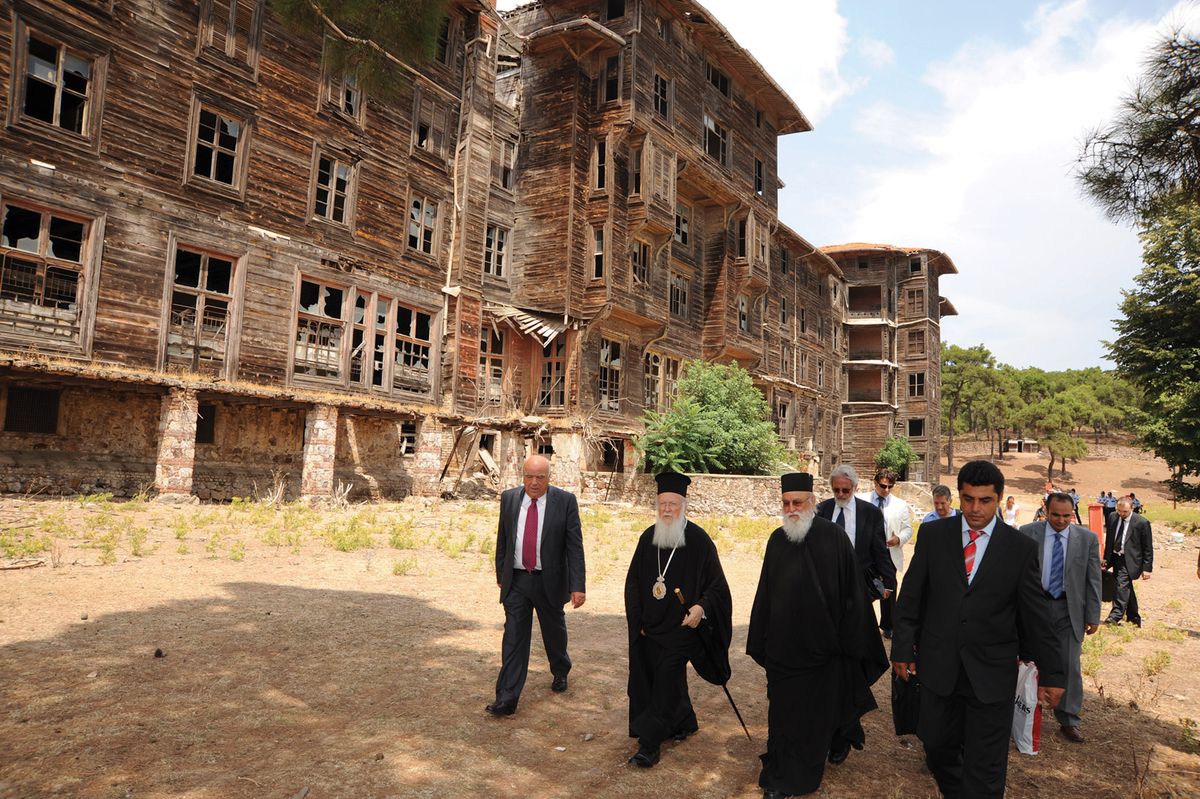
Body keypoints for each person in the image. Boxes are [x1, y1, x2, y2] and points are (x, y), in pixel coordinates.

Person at [892, 460, 1065, 799]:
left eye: (984, 500)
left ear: (998, 498)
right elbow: (912, 595)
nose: (975, 508)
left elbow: (1036, 616)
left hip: (991, 674)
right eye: (968, 499)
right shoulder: (934, 535)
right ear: (958, 496)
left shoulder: (1019, 548)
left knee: (986, 764)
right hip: (939, 668)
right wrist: (902, 647)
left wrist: (1053, 673)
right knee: (938, 749)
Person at [747, 472, 889, 798]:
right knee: (781, 717)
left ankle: (799, 776)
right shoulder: (776, 540)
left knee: (812, 721)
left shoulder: (835, 538)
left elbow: (852, 596)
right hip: (784, 652)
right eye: (786, 503)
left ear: (812, 503)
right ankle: (779, 774)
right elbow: (765, 593)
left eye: (798, 502)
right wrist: (762, 639)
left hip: (822, 654)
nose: (792, 509)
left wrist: (850, 644)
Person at [624, 471, 732, 768]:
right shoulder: (648, 537)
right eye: (662, 504)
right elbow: (633, 581)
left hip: (682, 629)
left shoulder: (698, 540)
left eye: (672, 504)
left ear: (684, 505)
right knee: (649, 677)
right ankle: (685, 721)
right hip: (650, 627)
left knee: (666, 680)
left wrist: (701, 607)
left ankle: (649, 744)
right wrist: (638, 620)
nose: (667, 509)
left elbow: (717, 586)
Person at [487, 454, 586, 717]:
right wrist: (502, 574)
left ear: (548, 478)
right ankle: (506, 698)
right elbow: (503, 540)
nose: (533, 482)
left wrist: (578, 585)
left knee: (553, 633)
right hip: (517, 580)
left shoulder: (564, 502)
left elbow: (574, 547)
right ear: (522, 476)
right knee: (514, 638)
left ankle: (560, 669)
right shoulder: (509, 498)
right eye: (529, 476)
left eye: (539, 477)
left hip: (549, 581)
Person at [1019, 493, 1102, 743]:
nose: (1061, 520)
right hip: (1035, 608)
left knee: (1069, 664)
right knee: (1027, 663)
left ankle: (1069, 719)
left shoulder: (1087, 539)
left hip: (1069, 610)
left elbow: (1093, 579)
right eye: (1056, 514)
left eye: (1067, 515)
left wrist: (1093, 615)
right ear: (1046, 510)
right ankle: (1023, 712)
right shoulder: (1027, 533)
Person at [816, 464, 895, 607]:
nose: (840, 494)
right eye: (836, 490)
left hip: (859, 579)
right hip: (828, 579)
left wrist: (888, 580)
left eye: (845, 490)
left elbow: (879, 549)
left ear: (855, 487)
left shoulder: (870, 513)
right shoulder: (821, 510)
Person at [860, 467, 912, 639]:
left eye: (890, 486)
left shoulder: (900, 505)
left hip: (889, 553)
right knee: (864, 587)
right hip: (866, 553)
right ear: (875, 483)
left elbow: (907, 530)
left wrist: (898, 539)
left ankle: (888, 625)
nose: (886, 490)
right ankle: (863, 623)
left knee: (888, 590)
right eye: (883, 486)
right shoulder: (861, 500)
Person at [1104, 497, 1153, 628]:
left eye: (1124, 511)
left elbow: (1148, 547)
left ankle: (1115, 616)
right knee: (1124, 586)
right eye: (1119, 510)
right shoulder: (1112, 517)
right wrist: (1105, 559)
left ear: (1132, 508)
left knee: (1121, 585)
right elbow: (1109, 539)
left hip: (1130, 559)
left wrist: (1147, 568)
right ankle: (1133, 618)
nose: (1121, 514)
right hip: (1115, 557)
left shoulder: (1141, 523)